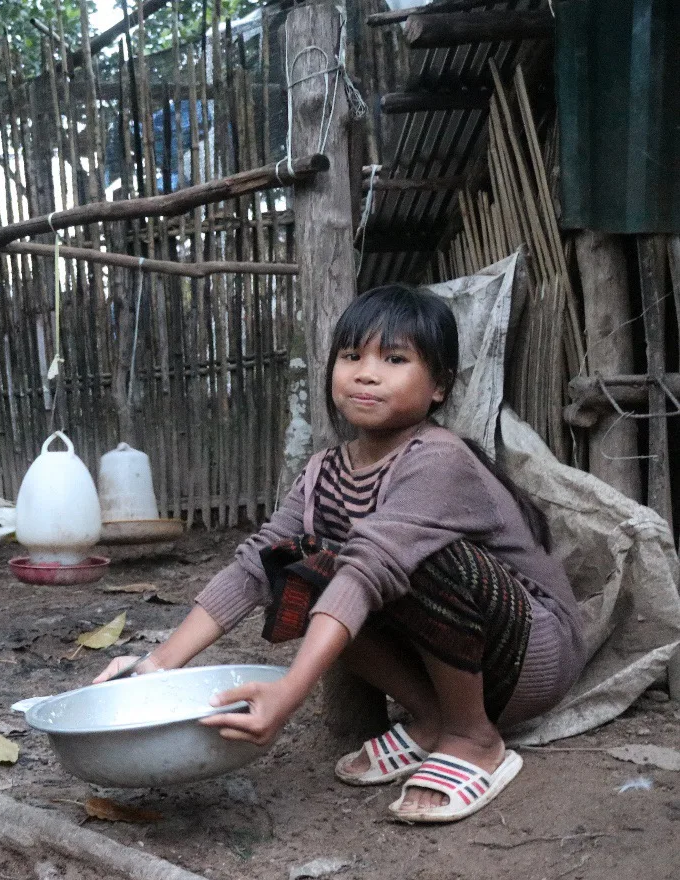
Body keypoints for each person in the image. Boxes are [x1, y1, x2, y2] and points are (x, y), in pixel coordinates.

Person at [94, 285, 583, 823]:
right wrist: (156, 665)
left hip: (527, 658)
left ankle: (473, 738)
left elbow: (369, 569)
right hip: (453, 659)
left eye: (394, 359)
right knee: (296, 565)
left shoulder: (439, 460)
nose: (366, 374)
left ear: (439, 386)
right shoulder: (324, 470)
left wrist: (288, 692)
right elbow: (258, 563)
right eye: (352, 356)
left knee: (410, 558)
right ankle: (432, 718)